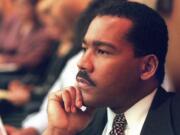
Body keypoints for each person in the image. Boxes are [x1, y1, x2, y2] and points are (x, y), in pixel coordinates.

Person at [43, 1, 180, 135]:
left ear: (147, 67)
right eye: (85, 49)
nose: (82, 63)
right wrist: (59, 131)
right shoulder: (80, 123)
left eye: (102, 51)